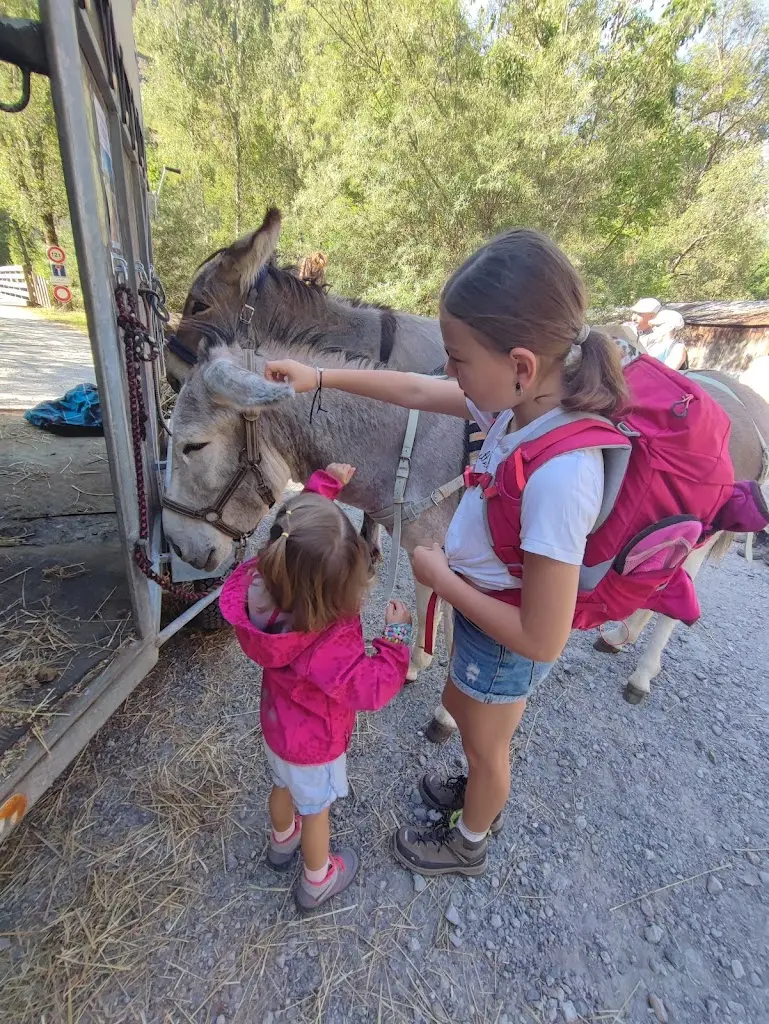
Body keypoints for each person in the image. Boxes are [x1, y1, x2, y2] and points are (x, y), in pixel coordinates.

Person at [265, 228, 628, 877]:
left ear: (519, 365)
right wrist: (315, 377)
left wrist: (441, 577)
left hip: (504, 633)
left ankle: (469, 839)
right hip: (483, 611)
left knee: (489, 748)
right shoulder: (520, 407)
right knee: (463, 709)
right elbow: (411, 392)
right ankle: (472, 795)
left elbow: (543, 639)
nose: (450, 374)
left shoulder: (559, 475)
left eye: (457, 359)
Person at [219, 463, 412, 909]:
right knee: (316, 810)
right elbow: (372, 687)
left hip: (276, 730)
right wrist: (396, 637)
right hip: (313, 744)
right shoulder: (328, 640)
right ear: (329, 596)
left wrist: (324, 487)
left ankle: (282, 841)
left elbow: (295, 529)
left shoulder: (265, 584)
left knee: (280, 786)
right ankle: (316, 878)